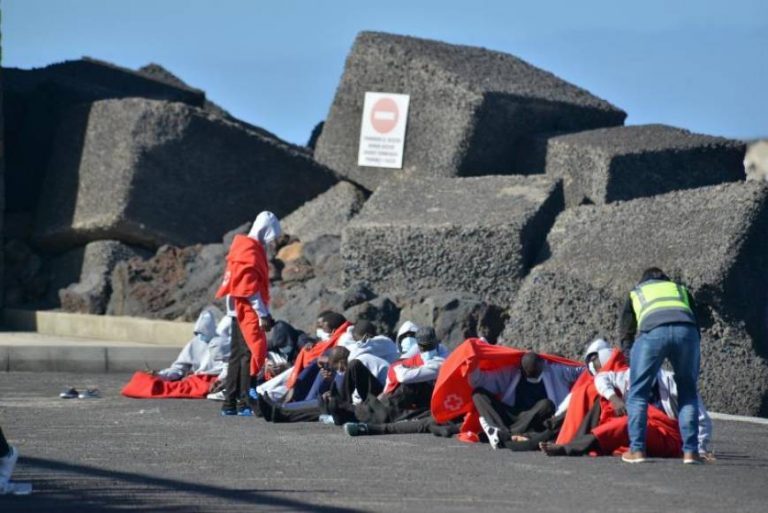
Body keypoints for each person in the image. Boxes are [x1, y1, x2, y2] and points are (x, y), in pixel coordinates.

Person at [618, 267, 702, 464]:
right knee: (688, 393)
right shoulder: (680, 290)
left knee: (638, 393)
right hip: (686, 333)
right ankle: (691, 452)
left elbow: (626, 333)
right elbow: (696, 324)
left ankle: (637, 450)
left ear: (643, 280)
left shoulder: (637, 292)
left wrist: (632, 359)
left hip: (653, 334)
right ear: (666, 280)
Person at [216, 212, 281, 416]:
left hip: (236, 310)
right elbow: (249, 289)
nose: (271, 242)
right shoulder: (250, 251)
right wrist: (263, 314)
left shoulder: (239, 247)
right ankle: (244, 402)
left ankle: (229, 403)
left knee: (236, 357)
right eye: (271, 236)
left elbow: (238, 284)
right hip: (248, 312)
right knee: (248, 355)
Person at [343, 326, 452, 436]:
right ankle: (358, 410)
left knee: (408, 387)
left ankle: (364, 414)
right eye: (422, 346)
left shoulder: (441, 360)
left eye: (428, 345)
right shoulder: (412, 351)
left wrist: (404, 368)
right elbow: (399, 366)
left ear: (436, 342)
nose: (425, 349)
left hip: (416, 396)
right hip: (390, 391)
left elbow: (403, 376)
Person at [470, 352, 584, 449]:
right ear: (521, 368)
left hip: (537, 419)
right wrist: (474, 361)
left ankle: (503, 434)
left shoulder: (556, 370)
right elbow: (480, 381)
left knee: (547, 405)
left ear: (543, 365)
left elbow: (583, 371)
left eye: (535, 372)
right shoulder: (512, 371)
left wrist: (596, 362)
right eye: (528, 373)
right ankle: (502, 431)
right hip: (513, 416)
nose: (532, 375)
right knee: (478, 394)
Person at [156, 310, 226, 381]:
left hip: (216, 380)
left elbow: (226, 369)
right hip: (196, 380)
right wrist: (165, 375)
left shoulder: (225, 344)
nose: (200, 336)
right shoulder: (195, 343)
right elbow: (179, 367)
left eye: (203, 332)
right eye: (198, 333)